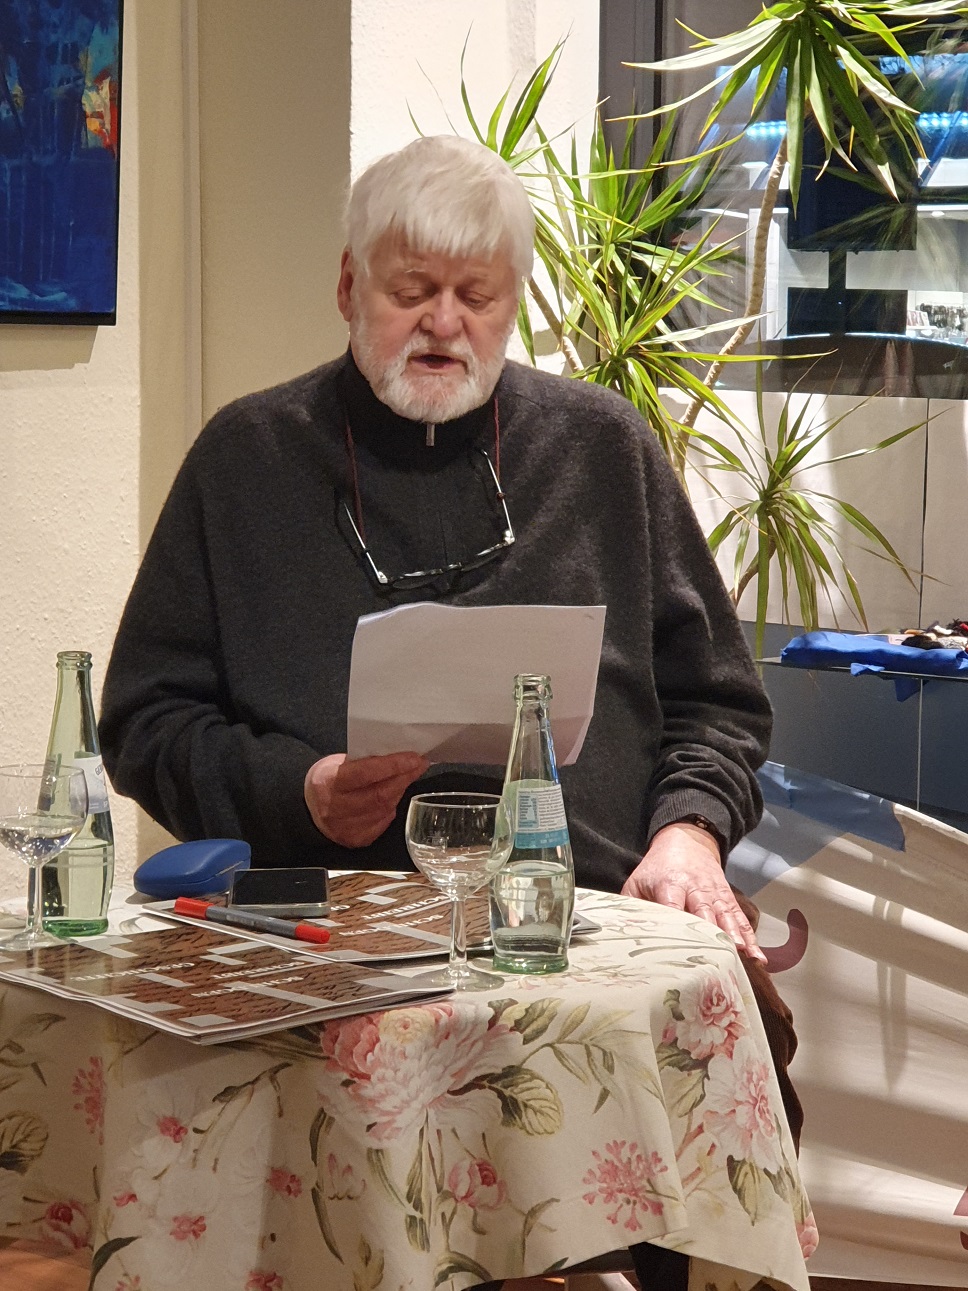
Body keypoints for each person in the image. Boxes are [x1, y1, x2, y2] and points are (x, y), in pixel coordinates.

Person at [99, 135, 800, 1291]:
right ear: (346, 286)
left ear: (511, 300)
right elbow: (144, 721)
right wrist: (297, 790)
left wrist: (686, 831)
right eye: (410, 288)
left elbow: (716, 703)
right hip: (323, 952)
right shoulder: (245, 459)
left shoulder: (603, 449)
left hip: (579, 934)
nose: (442, 323)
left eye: (475, 295)